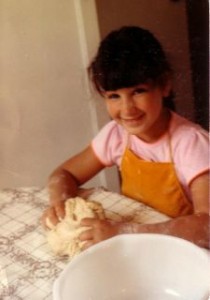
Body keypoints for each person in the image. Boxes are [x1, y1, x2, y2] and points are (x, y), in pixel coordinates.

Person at [42, 26, 209, 249]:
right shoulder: (117, 136)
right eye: (114, 96)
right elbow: (64, 174)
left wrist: (125, 232)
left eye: (138, 91)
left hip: (186, 252)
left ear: (165, 84)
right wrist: (61, 203)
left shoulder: (191, 143)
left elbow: (206, 226)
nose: (127, 109)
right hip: (139, 245)